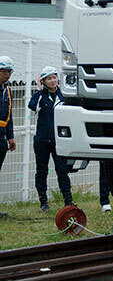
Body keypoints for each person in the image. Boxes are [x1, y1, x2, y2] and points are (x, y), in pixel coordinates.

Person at [28, 66, 73, 212]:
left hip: (59, 140)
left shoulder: (63, 95)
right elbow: (32, 105)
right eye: (49, 78)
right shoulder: (40, 96)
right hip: (41, 140)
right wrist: (39, 89)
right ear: (43, 81)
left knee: (62, 170)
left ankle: (68, 201)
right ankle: (43, 202)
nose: (52, 81)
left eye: (54, 77)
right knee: (42, 170)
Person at [0, 56, 16, 218]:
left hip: (2, 136)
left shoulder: (7, 90)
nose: (7, 75)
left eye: (9, 71)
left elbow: (9, 115)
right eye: (4, 71)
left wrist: (10, 137)